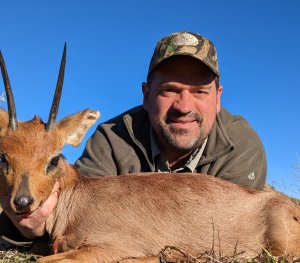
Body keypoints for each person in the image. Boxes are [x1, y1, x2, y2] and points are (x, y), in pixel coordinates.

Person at [0, 31, 267, 246]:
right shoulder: (111, 139)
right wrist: (30, 230)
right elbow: (74, 217)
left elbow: (228, 235)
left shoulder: (241, 147)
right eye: (169, 90)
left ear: (218, 97)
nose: (184, 106)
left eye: (200, 92)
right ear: (146, 95)